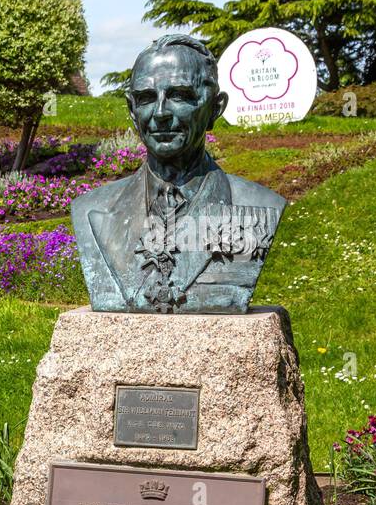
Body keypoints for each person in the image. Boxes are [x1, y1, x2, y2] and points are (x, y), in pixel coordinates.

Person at [70, 34, 285, 314]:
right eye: (146, 98)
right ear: (132, 111)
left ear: (215, 109)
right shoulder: (90, 209)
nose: (160, 113)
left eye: (180, 96)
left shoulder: (257, 207)